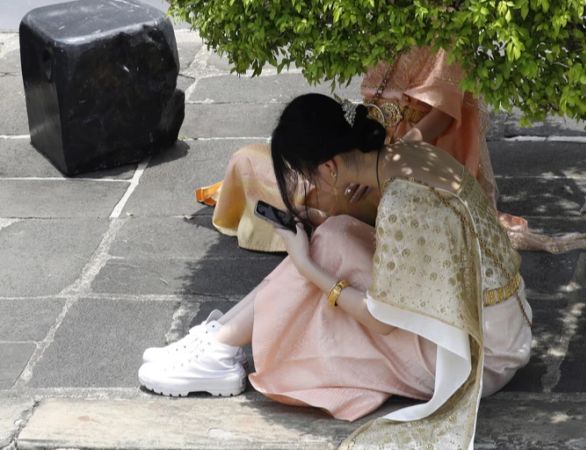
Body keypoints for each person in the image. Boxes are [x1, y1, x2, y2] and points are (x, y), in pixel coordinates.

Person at [139, 93, 533, 447]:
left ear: (328, 168)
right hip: (495, 322)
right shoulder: (407, 157)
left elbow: (382, 321)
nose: (308, 186)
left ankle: (221, 348)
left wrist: (306, 265)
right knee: (334, 232)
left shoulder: (401, 202)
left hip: (481, 355)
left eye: (306, 176)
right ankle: (221, 340)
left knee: (321, 260)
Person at [195, 46, 586, 254]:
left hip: (409, 154)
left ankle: (317, 214)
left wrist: (378, 166)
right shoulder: (382, 19)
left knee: (309, 189)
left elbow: (440, 118)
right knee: (245, 161)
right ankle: (311, 207)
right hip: (365, 145)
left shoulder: (448, 26)